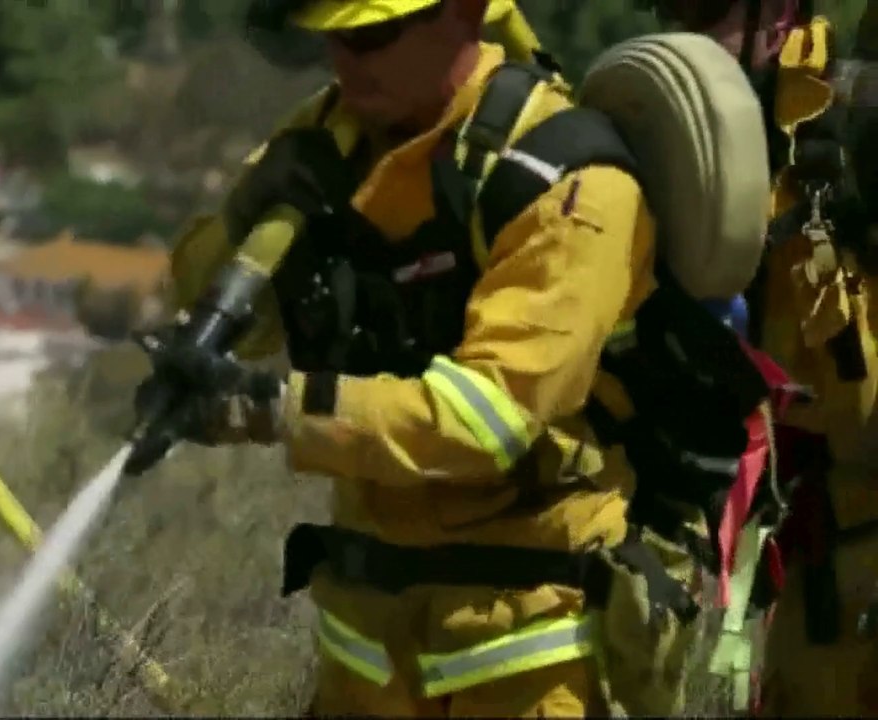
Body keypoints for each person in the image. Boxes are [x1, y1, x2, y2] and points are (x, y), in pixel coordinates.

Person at [130, 0, 784, 715]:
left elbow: (487, 421)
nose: (345, 60)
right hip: (368, 649)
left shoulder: (568, 185)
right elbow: (217, 309)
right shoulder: (331, 137)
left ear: (466, 14)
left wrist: (269, 409)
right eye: (331, 36)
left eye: (372, 34)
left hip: (530, 652)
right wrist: (248, 213)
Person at [636, 0, 878, 716]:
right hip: (797, 537)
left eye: (704, 8)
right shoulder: (670, 122)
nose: (681, 30)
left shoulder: (844, 111)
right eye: (668, 7)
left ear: (776, 15)